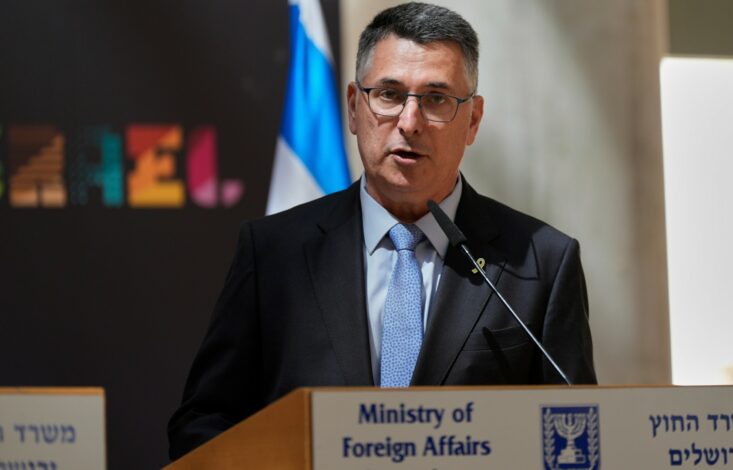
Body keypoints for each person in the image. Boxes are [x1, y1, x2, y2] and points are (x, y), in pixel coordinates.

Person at [168, 2, 596, 461]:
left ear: (472, 120)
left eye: (436, 99)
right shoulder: (274, 253)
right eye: (389, 95)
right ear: (354, 107)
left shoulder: (541, 263)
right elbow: (203, 424)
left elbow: (578, 437)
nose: (409, 123)